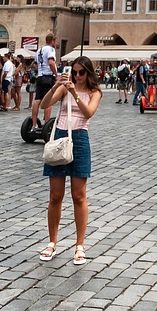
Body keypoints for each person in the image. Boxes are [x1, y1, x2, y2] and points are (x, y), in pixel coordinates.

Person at [38, 56, 102, 267]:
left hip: (80, 139)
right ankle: (52, 242)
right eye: (74, 72)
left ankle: (79, 245)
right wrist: (57, 84)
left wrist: (75, 93)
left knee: (78, 195)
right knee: (55, 195)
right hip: (60, 137)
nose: (76, 75)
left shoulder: (95, 93)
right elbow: (45, 105)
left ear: (88, 73)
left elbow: (88, 112)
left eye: (81, 72)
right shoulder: (64, 88)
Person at [31, 34, 58, 121]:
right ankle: (46, 122)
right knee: (48, 101)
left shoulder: (39, 50)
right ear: (52, 41)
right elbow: (51, 62)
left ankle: (34, 123)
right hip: (48, 76)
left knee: (37, 99)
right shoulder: (51, 49)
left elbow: (34, 64)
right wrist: (56, 74)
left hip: (40, 76)